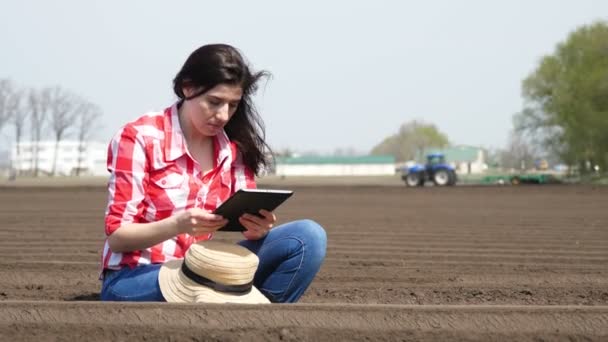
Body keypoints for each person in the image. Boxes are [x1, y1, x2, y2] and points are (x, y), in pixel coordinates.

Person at [99, 44, 327, 303]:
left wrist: (257, 229)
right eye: (214, 102)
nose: (223, 115)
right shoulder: (139, 137)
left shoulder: (235, 149)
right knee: (208, 282)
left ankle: (262, 324)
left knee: (308, 237)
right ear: (188, 87)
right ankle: (233, 306)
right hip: (137, 276)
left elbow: (246, 222)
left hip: (201, 269)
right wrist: (178, 224)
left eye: (232, 105)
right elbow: (117, 238)